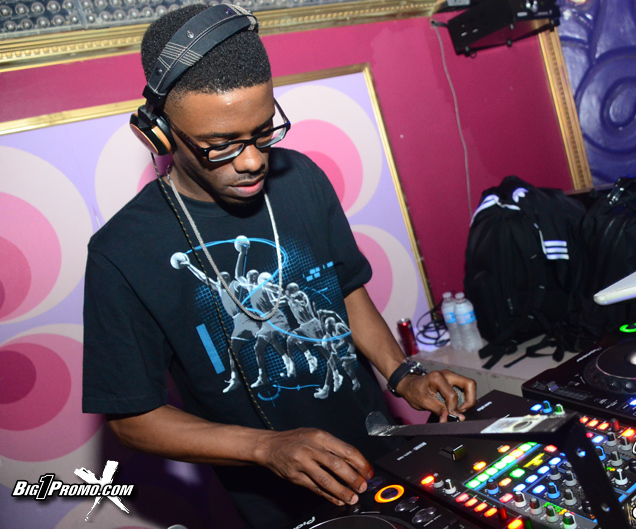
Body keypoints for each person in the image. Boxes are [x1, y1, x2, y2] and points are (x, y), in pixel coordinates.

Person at [81, 4, 476, 528]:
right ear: (160, 133)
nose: (252, 161)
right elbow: (133, 419)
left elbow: (342, 289)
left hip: (382, 453)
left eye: (263, 131)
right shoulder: (121, 252)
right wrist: (266, 448)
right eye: (220, 145)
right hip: (278, 505)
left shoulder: (302, 178)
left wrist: (401, 373)